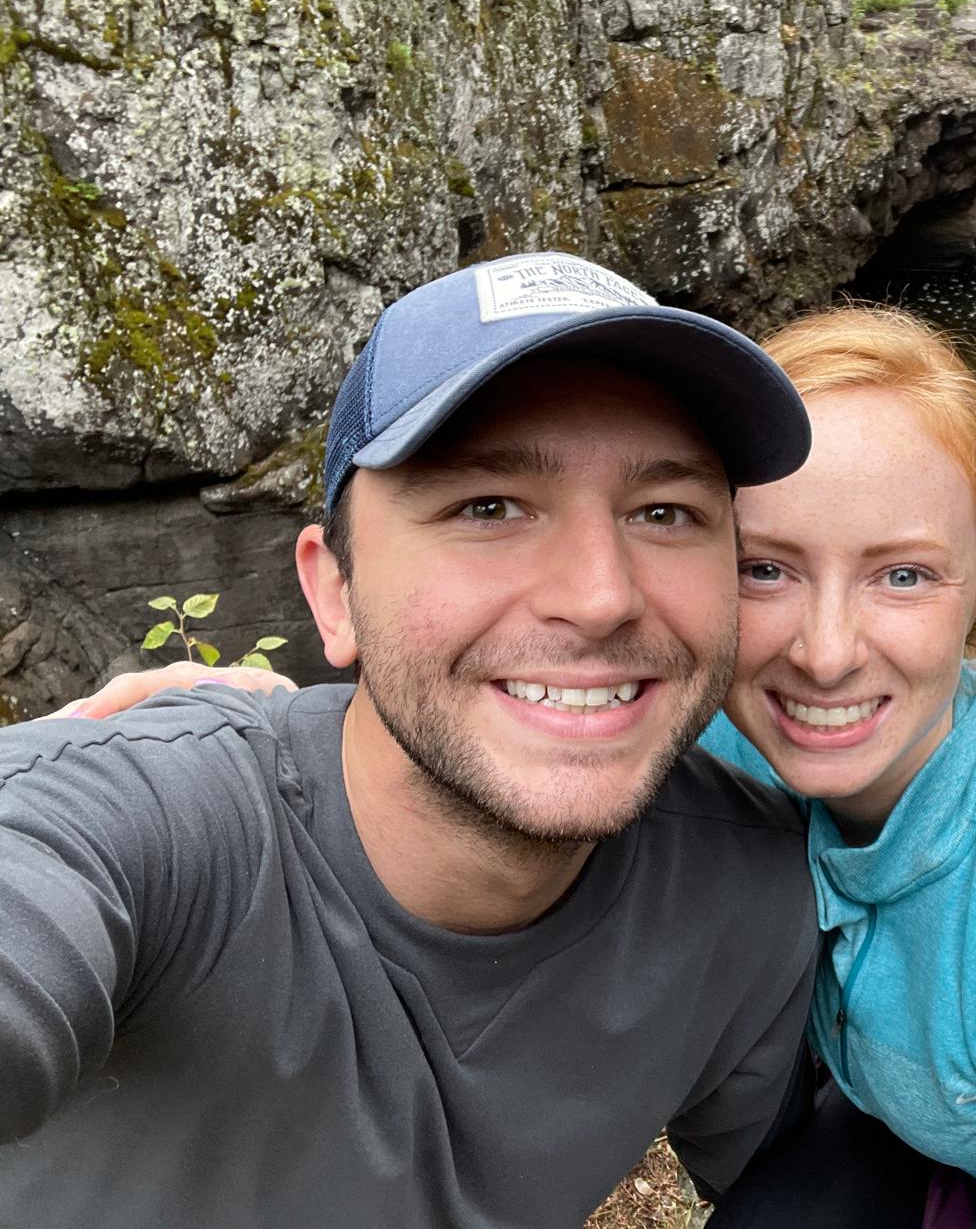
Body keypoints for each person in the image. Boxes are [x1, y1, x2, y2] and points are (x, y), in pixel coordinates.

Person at [80, 305, 976, 1228]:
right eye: (765, 569)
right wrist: (244, 736)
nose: (827, 651)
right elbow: (511, 715)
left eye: (903, 574)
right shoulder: (723, 715)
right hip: (950, 1127)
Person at [0, 252, 823, 1225]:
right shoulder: (153, 826)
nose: (602, 596)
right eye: (488, 507)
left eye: (663, 512)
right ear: (332, 592)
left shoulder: (749, 893)